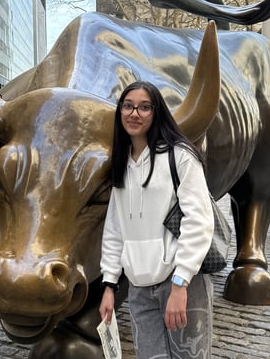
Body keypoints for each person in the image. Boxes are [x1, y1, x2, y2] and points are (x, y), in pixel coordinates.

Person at [99, 81, 214, 358]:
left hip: (180, 282)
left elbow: (198, 221)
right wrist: (109, 286)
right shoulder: (121, 162)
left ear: (157, 112)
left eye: (144, 107)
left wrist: (180, 283)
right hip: (138, 288)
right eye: (128, 106)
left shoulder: (181, 156)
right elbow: (115, 229)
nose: (134, 113)